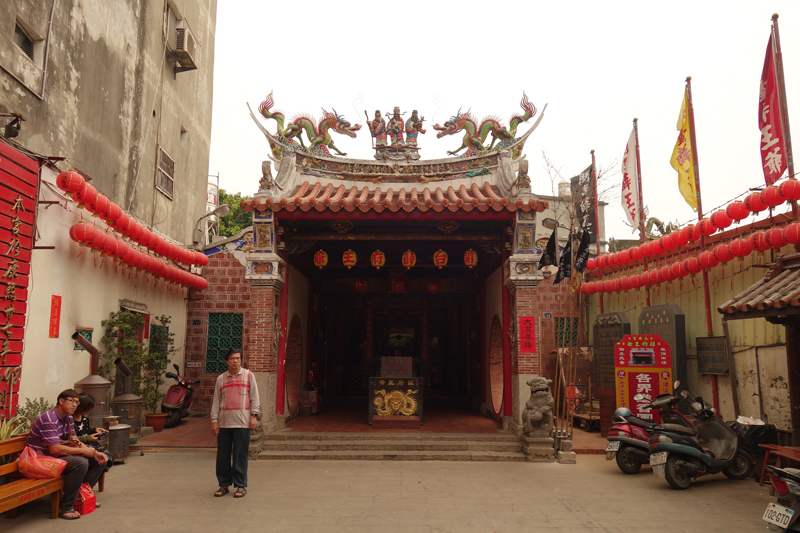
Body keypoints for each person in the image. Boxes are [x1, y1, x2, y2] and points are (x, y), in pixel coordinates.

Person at [28, 389, 108, 520]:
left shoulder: (68, 417)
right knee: (80, 463)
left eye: (77, 402)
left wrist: (94, 453)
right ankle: (66, 507)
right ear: (61, 401)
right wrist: (84, 451)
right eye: (72, 401)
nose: (75, 405)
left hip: (56, 456)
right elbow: (54, 449)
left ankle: (80, 495)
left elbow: (74, 440)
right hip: (41, 460)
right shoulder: (49, 418)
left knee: (100, 459)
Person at [211, 348, 259, 499]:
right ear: (227, 361)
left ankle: (241, 486)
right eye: (232, 358)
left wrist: (254, 416)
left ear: (241, 360)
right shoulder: (221, 379)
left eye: (238, 358)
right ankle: (224, 484)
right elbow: (216, 401)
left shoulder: (249, 376)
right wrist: (214, 421)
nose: (235, 361)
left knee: (240, 455)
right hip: (224, 423)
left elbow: (254, 397)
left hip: (242, 423)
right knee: (222, 456)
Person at [73, 393, 114, 473]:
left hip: (90, 444)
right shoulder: (70, 420)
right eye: (87, 409)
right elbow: (72, 438)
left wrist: (95, 429)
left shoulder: (84, 418)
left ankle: (100, 471)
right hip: (79, 446)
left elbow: (86, 426)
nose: (89, 411)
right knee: (100, 458)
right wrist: (88, 438)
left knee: (109, 455)